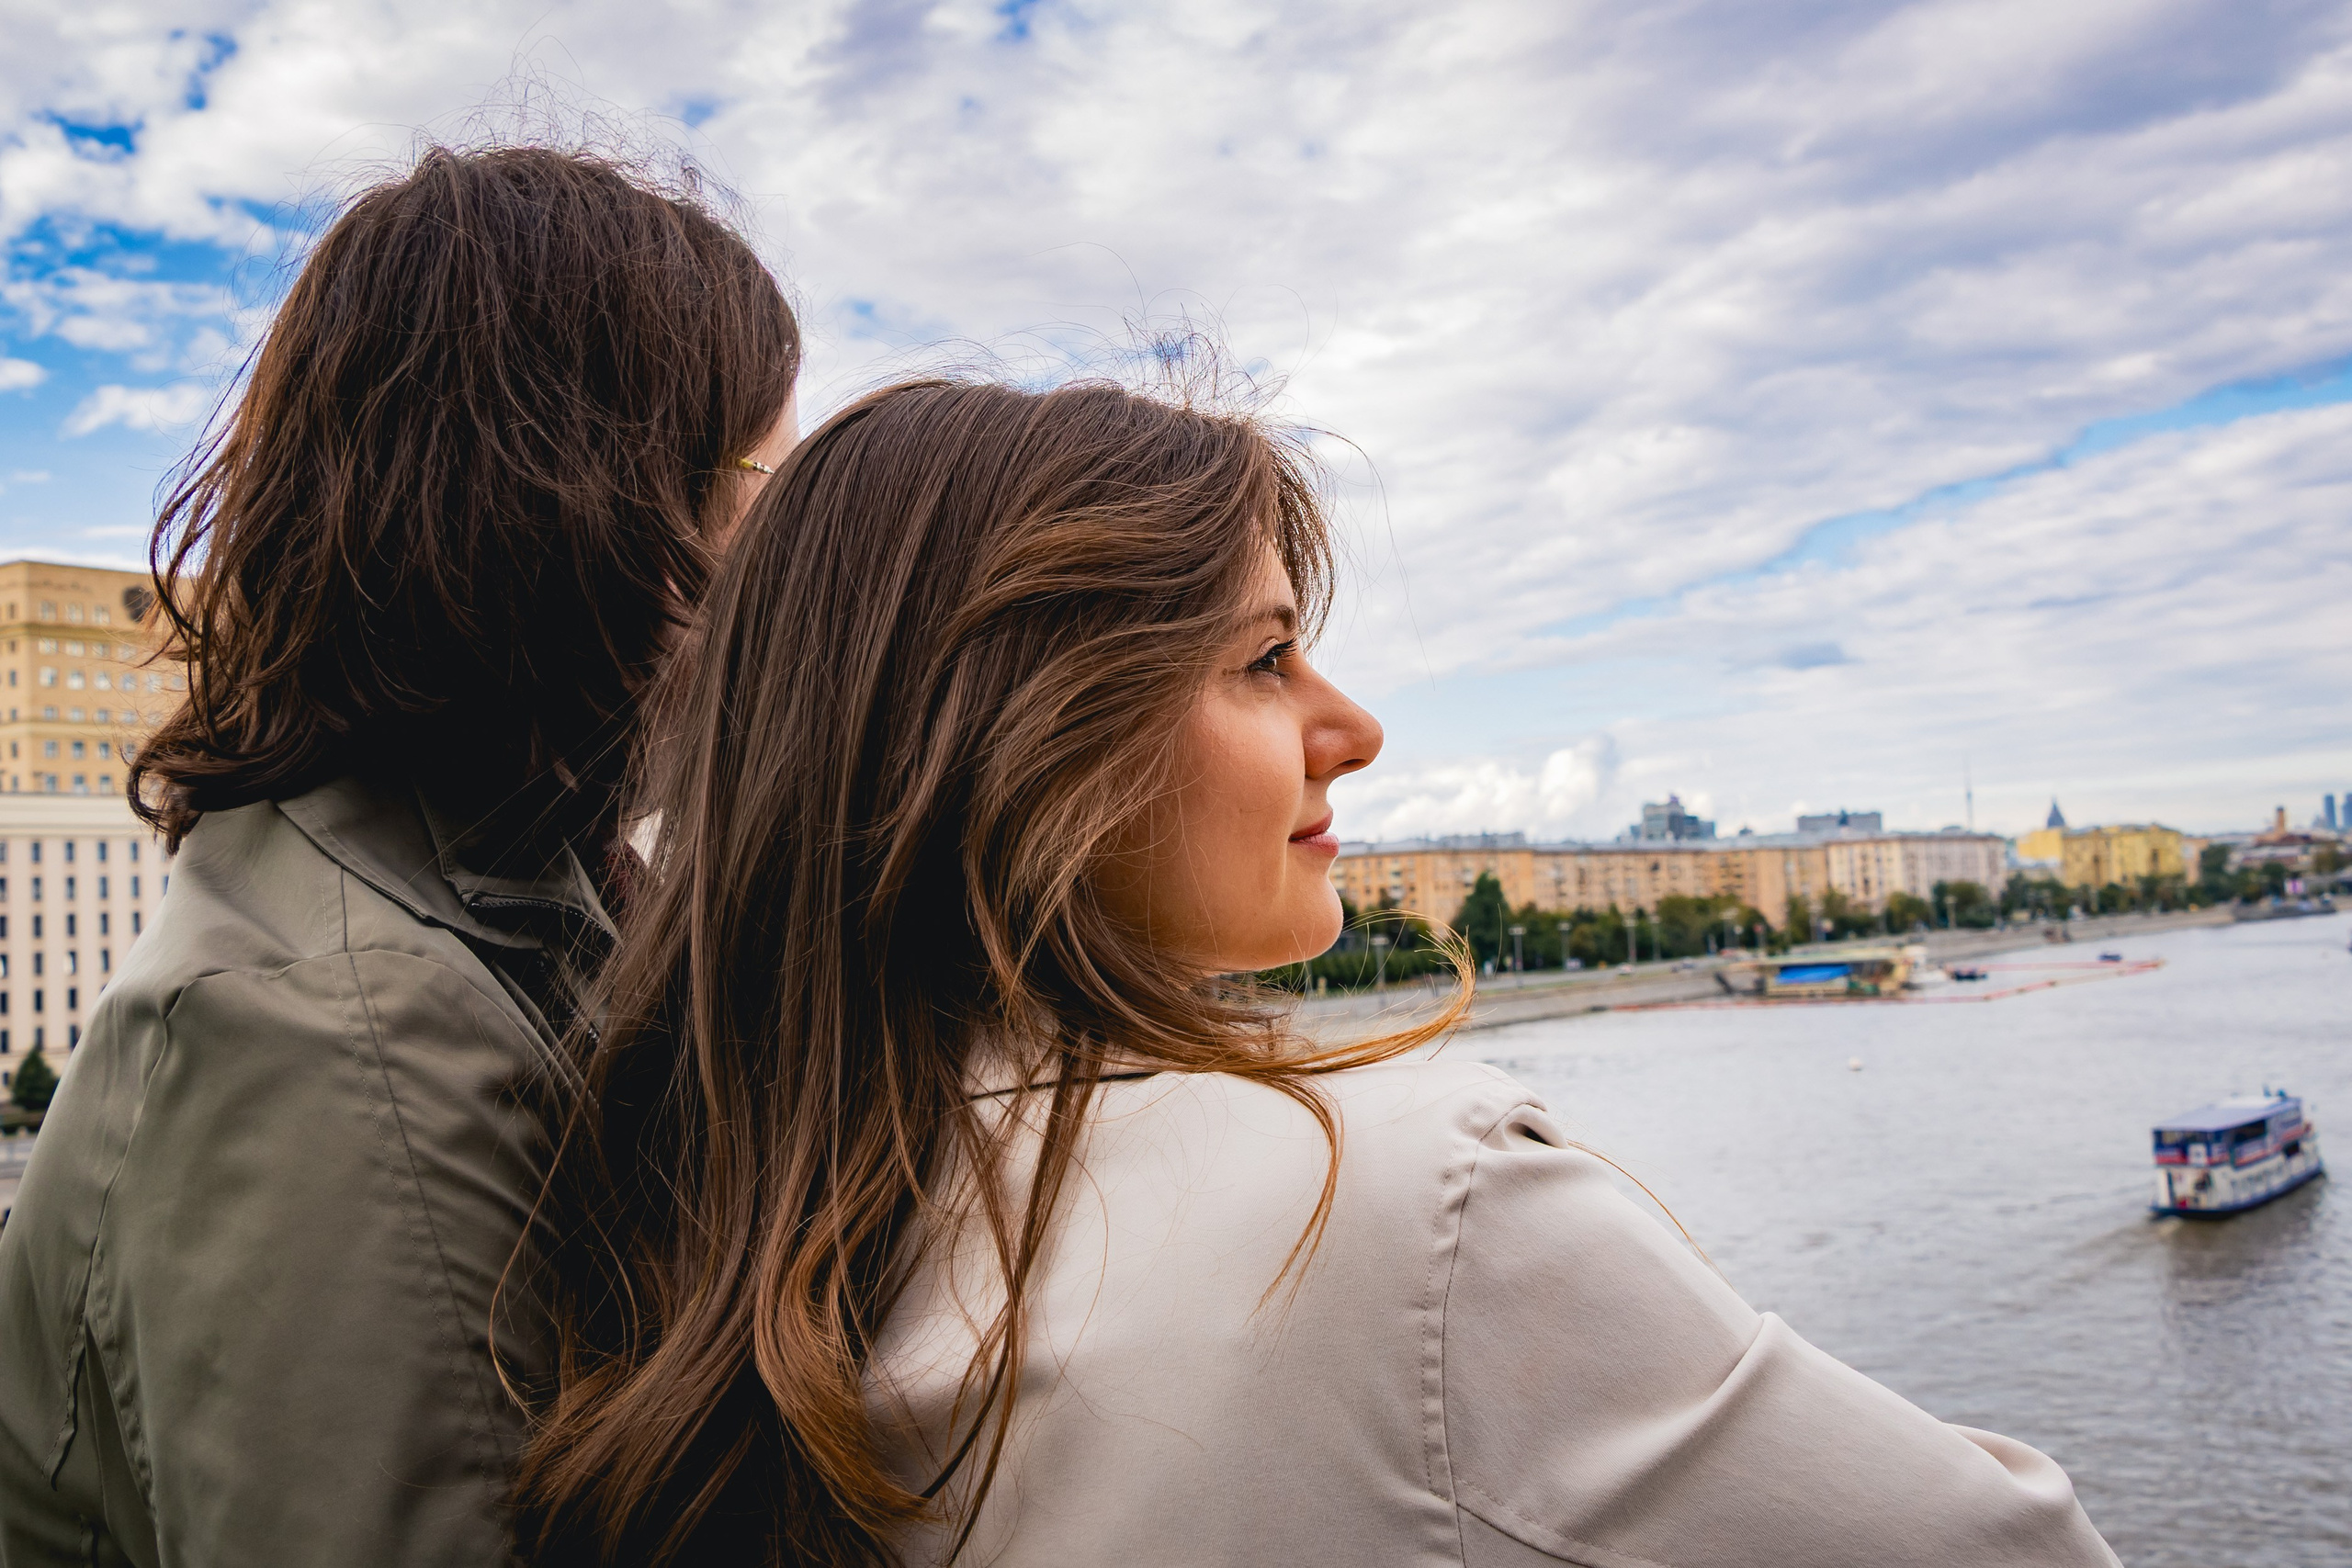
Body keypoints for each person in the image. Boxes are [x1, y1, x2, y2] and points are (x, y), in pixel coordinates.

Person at [514, 377, 2120, 1567]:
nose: (1352, 730)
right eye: (1265, 658)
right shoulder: (1398, 1203)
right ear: (1027, 743)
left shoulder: (715, 1224)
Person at [0, 145, 799, 1565]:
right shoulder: (341, 1035)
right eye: (764, 483)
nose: (793, 558)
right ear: (584, 504)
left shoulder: (505, 893)